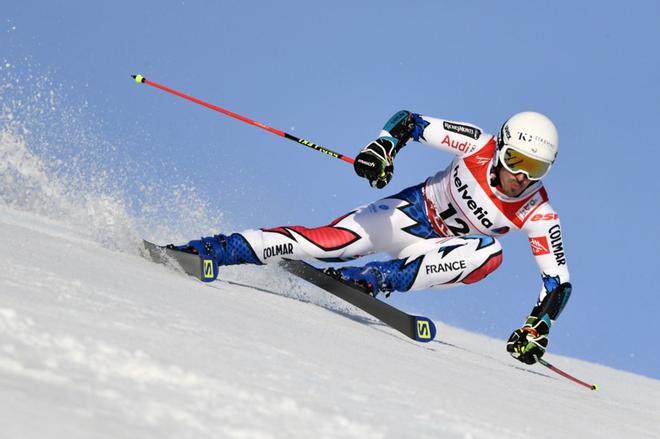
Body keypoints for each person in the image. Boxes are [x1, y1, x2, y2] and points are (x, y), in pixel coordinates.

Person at [173, 110, 572, 365]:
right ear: (502, 147)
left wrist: (539, 325)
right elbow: (410, 122)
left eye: (536, 169)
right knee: (324, 245)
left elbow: (557, 283)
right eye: (517, 161)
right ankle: (209, 250)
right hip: (405, 215)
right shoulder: (478, 143)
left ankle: (373, 280)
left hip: (433, 250)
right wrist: (383, 148)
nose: (522, 176)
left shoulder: (538, 211)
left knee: (490, 253)